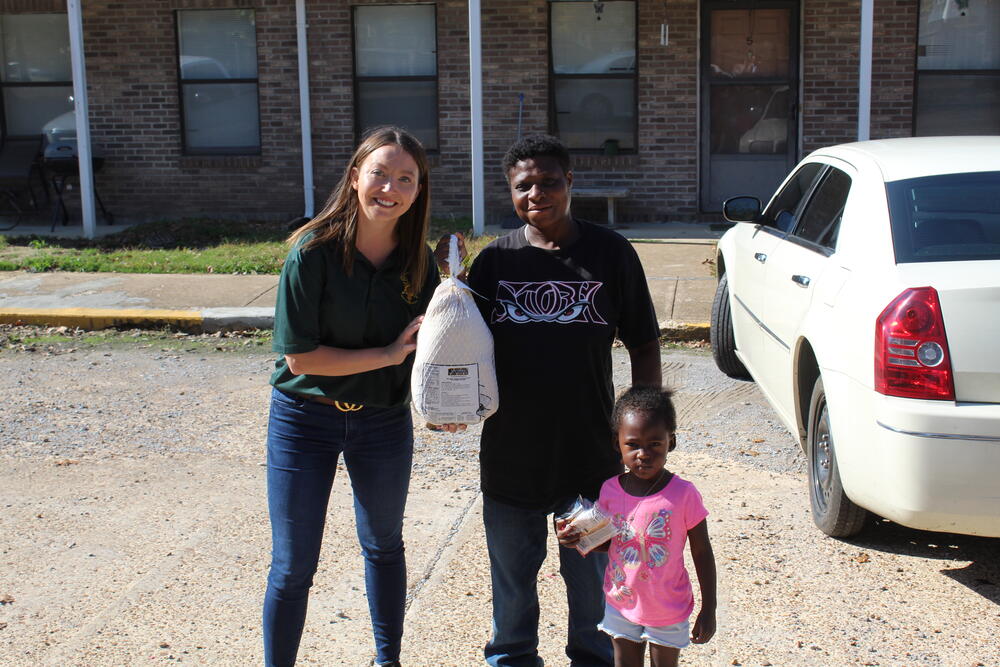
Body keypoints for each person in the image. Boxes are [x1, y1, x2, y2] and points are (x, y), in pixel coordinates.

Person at [439, 134, 662, 666]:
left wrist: (645, 424)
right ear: (510, 192)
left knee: (594, 600)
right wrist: (445, 278)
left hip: (591, 465)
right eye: (524, 185)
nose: (537, 192)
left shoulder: (611, 253)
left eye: (549, 181)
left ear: (570, 184)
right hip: (511, 463)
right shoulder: (495, 264)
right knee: (512, 601)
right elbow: (455, 342)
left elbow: (644, 342)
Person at [262, 126, 438, 667]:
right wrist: (386, 356)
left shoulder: (419, 261)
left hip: (382, 422)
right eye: (380, 173)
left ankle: (388, 661)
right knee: (293, 565)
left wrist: (448, 401)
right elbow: (302, 358)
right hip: (304, 420)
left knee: (384, 544)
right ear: (356, 176)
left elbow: (433, 343)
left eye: (405, 178)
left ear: (418, 190)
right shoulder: (311, 253)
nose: (390, 187)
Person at [557, 386, 717, 667]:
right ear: (616, 444)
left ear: (672, 442)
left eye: (655, 444)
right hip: (622, 602)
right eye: (633, 444)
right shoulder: (610, 490)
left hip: (668, 605)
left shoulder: (683, 494)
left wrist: (709, 607)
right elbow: (611, 543)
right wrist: (577, 537)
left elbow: (702, 551)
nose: (644, 453)